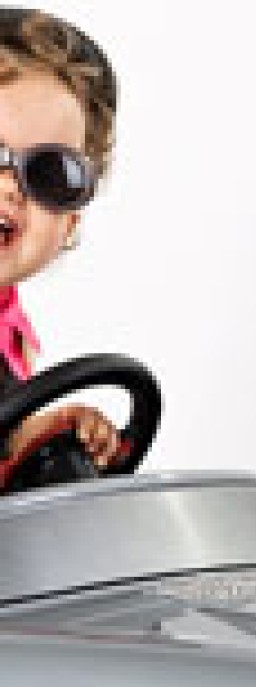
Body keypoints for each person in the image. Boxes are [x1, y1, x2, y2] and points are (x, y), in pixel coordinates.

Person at [0, 7, 120, 470]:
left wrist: (36, 437)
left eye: (50, 173)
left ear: (69, 223)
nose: (9, 186)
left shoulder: (10, 334)